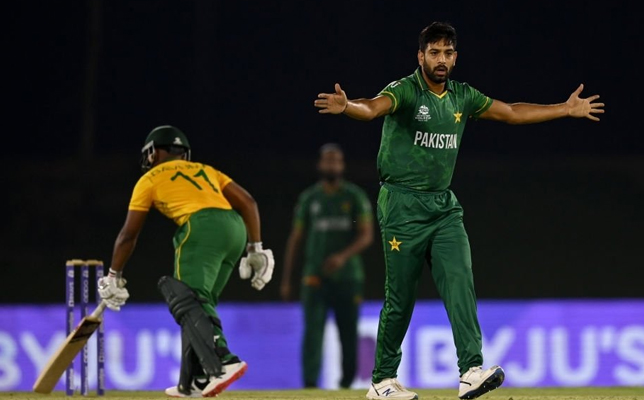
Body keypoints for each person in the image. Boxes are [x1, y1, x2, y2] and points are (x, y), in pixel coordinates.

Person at [313, 22, 604, 400]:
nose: (441, 60)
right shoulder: (406, 90)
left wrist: (565, 108)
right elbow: (371, 109)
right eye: (434, 52)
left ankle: (470, 370)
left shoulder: (462, 97)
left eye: (448, 53)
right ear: (420, 56)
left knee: (460, 281)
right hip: (401, 204)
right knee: (400, 297)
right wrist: (347, 106)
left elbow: (512, 113)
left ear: (455, 57)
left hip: (443, 206)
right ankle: (382, 382)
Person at [97, 126, 275, 398]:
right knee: (200, 305)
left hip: (200, 227)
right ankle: (195, 378)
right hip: (235, 229)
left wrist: (113, 274)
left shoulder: (150, 178)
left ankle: (222, 359)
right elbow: (248, 202)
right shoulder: (206, 170)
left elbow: (128, 235)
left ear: (155, 152)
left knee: (187, 298)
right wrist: (255, 248)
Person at [280, 143, 374, 389]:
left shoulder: (354, 197)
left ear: (342, 165)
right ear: (320, 165)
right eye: (328, 161)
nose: (332, 165)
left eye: (336, 161)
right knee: (312, 332)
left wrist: (342, 256)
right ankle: (310, 385)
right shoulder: (310, 198)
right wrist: (287, 279)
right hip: (315, 276)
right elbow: (296, 238)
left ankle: (346, 383)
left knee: (348, 333)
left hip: (348, 277)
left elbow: (366, 235)